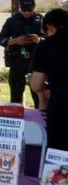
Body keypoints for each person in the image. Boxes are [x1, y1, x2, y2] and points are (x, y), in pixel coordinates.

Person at [30, 8, 68, 150]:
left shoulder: (46, 45)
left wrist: (41, 94)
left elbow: (36, 85)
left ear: (50, 27)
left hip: (61, 104)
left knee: (58, 150)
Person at [0, 0, 43, 107]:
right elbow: (1, 40)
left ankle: (39, 122)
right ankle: (17, 121)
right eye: (24, 10)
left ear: (34, 7)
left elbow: (52, 39)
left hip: (36, 62)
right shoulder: (12, 21)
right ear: (19, 7)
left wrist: (39, 40)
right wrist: (16, 41)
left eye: (30, 10)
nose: (27, 12)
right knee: (16, 96)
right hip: (17, 61)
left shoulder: (41, 20)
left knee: (38, 95)